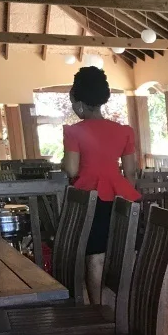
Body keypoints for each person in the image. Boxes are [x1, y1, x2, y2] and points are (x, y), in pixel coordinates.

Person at [61, 66, 140, 305]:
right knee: (124, 254)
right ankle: (125, 305)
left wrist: (65, 162)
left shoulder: (74, 131)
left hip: (90, 198)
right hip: (123, 198)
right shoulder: (124, 131)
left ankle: (97, 310)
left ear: (79, 102)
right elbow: (131, 172)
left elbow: (72, 170)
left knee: (95, 257)